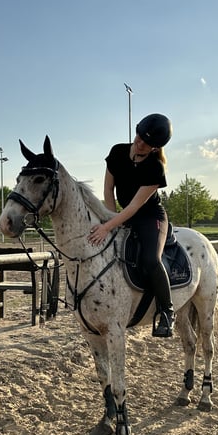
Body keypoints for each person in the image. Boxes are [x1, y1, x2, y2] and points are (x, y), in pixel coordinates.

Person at [87, 113, 175, 337]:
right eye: (138, 136)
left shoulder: (155, 168)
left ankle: (167, 311)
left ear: (155, 148)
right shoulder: (117, 152)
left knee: (150, 259)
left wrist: (108, 227)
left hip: (149, 216)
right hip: (120, 214)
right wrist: (109, 218)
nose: (140, 143)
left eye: (146, 143)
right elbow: (108, 191)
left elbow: (135, 206)